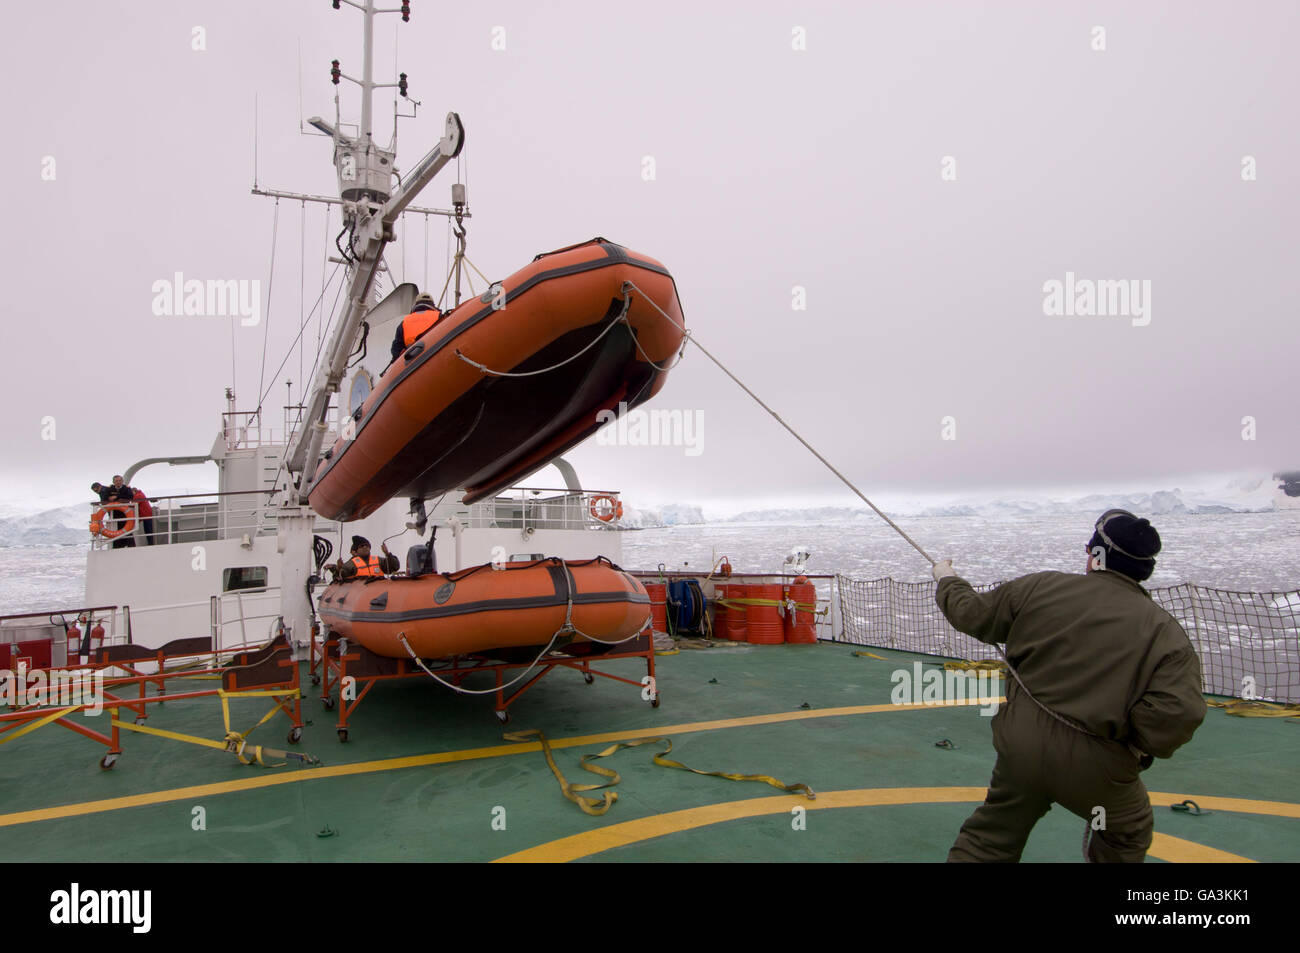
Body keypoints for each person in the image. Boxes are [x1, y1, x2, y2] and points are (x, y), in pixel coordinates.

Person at [931, 509, 1206, 863]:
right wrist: (1139, 743)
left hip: (1022, 750)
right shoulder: (1165, 633)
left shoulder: (1040, 587)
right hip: (1098, 766)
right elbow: (1178, 714)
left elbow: (973, 614)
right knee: (1126, 834)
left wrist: (947, 578)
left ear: (1095, 556)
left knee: (992, 835)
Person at [390, 293, 442, 361]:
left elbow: (396, 349)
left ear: (416, 304)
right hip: (435, 356)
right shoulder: (440, 317)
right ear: (433, 305)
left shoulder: (405, 322)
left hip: (411, 361)